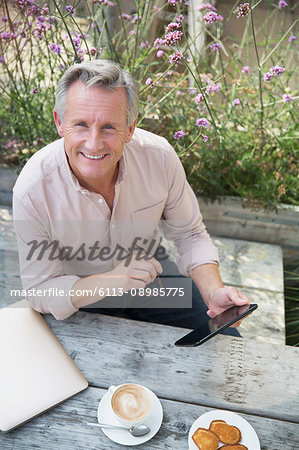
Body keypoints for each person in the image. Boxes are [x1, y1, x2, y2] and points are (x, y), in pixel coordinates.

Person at [13, 59, 249, 333]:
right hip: (78, 295)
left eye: (109, 127)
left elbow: (190, 234)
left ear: (130, 128)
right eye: (80, 124)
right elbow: (40, 289)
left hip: (153, 281)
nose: (93, 143)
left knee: (225, 341)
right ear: (59, 123)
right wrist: (111, 281)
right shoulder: (32, 189)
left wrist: (213, 292)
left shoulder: (159, 157)